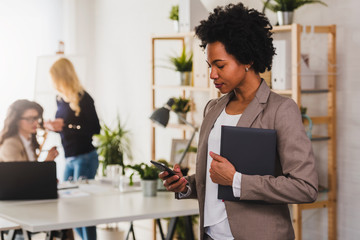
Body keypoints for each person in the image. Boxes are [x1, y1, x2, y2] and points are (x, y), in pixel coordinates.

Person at [159, 3, 318, 240]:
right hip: (212, 235)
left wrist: (237, 181)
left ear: (247, 60)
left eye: (220, 65)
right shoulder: (213, 108)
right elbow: (214, 180)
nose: (212, 74)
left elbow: (306, 187)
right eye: (210, 65)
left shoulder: (281, 110)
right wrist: (185, 186)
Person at [44, 58, 100, 240]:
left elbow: (95, 129)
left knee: (82, 209)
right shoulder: (60, 98)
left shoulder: (84, 98)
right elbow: (64, 125)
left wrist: (66, 126)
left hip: (85, 156)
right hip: (69, 157)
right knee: (69, 207)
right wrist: (53, 126)